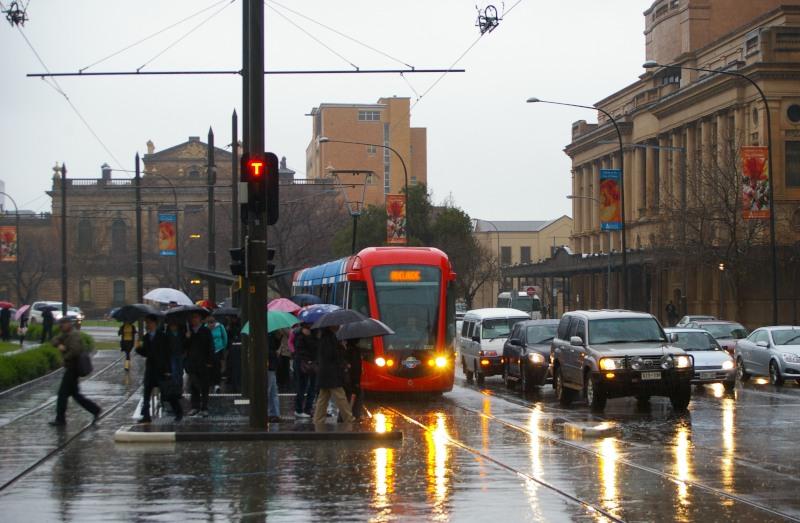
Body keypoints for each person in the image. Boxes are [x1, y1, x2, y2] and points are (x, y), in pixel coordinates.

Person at [49, 317, 101, 426]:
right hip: (71, 367)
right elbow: (54, 340)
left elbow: (75, 351)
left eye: (63, 324)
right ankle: (95, 409)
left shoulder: (74, 335)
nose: (61, 326)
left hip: (73, 367)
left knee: (62, 394)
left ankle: (60, 419)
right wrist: (59, 344)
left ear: (68, 324)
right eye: (60, 324)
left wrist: (65, 357)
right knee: (75, 395)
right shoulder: (65, 334)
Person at [135, 314, 183, 423]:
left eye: (149, 322)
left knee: (168, 394)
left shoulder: (163, 337)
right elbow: (146, 353)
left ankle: (178, 412)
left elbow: (167, 353)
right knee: (146, 393)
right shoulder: (146, 337)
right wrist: (138, 348)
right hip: (150, 370)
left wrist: (168, 370)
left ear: (155, 324)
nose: (147, 325)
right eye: (146, 323)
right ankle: (146, 416)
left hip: (162, 370)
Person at [313, 326, 354, 424]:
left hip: (325, 373)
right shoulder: (330, 338)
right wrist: (341, 348)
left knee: (323, 398)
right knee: (340, 396)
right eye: (337, 325)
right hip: (331, 374)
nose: (339, 326)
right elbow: (332, 355)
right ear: (331, 326)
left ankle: (318, 420)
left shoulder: (325, 337)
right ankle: (349, 418)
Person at [185, 312, 214, 417]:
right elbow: (185, 348)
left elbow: (210, 346)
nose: (194, 320)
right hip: (192, 363)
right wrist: (187, 338)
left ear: (200, 319)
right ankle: (195, 406)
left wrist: (209, 361)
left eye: (196, 317)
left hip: (203, 362)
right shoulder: (189, 331)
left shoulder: (205, 331)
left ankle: (204, 407)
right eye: (192, 318)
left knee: (204, 386)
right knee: (193, 385)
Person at [293, 323, 318, 418]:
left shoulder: (313, 333)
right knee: (302, 386)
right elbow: (302, 350)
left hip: (310, 362)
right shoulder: (300, 335)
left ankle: (307, 409)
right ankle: (299, 409)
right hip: (304, 363)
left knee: (312, 386)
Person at [343, 339, 363, 420]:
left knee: (346, 396)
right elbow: (356, 367)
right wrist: (356, 381)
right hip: (352, 378)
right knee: (358, 394)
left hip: (347, 378)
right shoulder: (355, 351)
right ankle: (355, 414)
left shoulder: (346, 349)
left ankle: (343, 416)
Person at [207, 316, 228, 393]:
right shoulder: (205, 328)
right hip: (209, 350)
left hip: (218, 349)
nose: (211, 325)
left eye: (212, 323)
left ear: (215, 322)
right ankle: (210, 383)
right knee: (209, 367)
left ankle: (217, 384)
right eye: (209, 323)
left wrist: (224, 346)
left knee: (217, 366)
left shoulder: (220, 327)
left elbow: (225, 337)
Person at [267, 330, 282, 423]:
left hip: (271, 364)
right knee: (270, 390)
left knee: (273, 390)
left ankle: (274, 413)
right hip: (269, 364)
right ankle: (272, 413)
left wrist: (278, 338)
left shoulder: (272, 335)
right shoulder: (267, 335)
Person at [165, 321, 185, 390]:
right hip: (172, 355)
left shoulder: (181, 333)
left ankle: (180, 383)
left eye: (175, 325)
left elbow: (184, 343)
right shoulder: (167, 334)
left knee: (180, 370)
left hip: (180, 354)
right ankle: (176, 384)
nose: (173, 327)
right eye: (172, 326)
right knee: (174, 369)